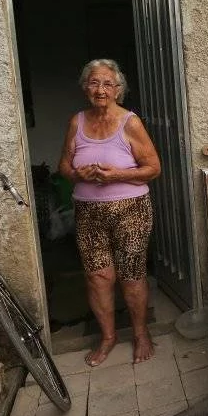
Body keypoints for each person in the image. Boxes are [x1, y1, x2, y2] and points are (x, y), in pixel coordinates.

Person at [58, 59, 161, 366]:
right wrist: (80, 174)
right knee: (97, 276)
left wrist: (116, 175)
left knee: (131, 275)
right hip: (88, 212)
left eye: (107, 84)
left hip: (131, 210)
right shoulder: (76, 122)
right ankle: (108, 337)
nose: (100, 90)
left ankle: (141, 334)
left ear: (118, 90)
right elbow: (63, 165)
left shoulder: (130, 123)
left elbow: (153, 168)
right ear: (84, 88)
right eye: (93, 83)